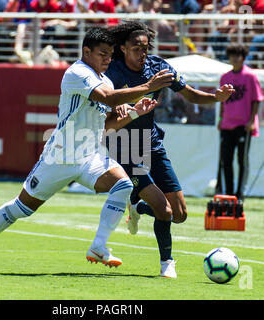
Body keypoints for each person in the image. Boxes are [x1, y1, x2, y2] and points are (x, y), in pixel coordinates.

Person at [0, 26, 175, 272]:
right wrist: (149, 86)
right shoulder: (77, 72)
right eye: (102, 54)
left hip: (91, 156)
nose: (107, 59)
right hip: (61, 156)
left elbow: (106, 126)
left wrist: (135, 112)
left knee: (124, 185)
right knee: (21, 209)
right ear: (86, 51)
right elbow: (108, 98)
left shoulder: (105, 79)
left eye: (110, 55)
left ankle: (99, 246)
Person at [105, 21, 234, 278]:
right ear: (123, 48)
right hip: (125, 149)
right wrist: (115, 106)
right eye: (136, 48)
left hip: (152, 145)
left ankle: (138, 207)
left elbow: (191, 94)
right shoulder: (113, 71)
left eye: (145, 47)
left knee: (180, 214)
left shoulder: (159, 67)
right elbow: (104, 102)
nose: (142, 53)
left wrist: (215, 98)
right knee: (163, 211)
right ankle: (167, 263)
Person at [216, 44, 263, 200]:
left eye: (238, 55)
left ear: (243, 57)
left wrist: (251, 121)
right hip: (227, 125)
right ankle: (228, 194)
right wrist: (220, 119)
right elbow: (222, 101)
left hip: (244, 125)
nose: (235, 58)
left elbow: (257, 100)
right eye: (232, 55)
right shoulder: (225, 77)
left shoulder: (250, 76)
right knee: (226, 160)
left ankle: (239, 194)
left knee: (242, 161)